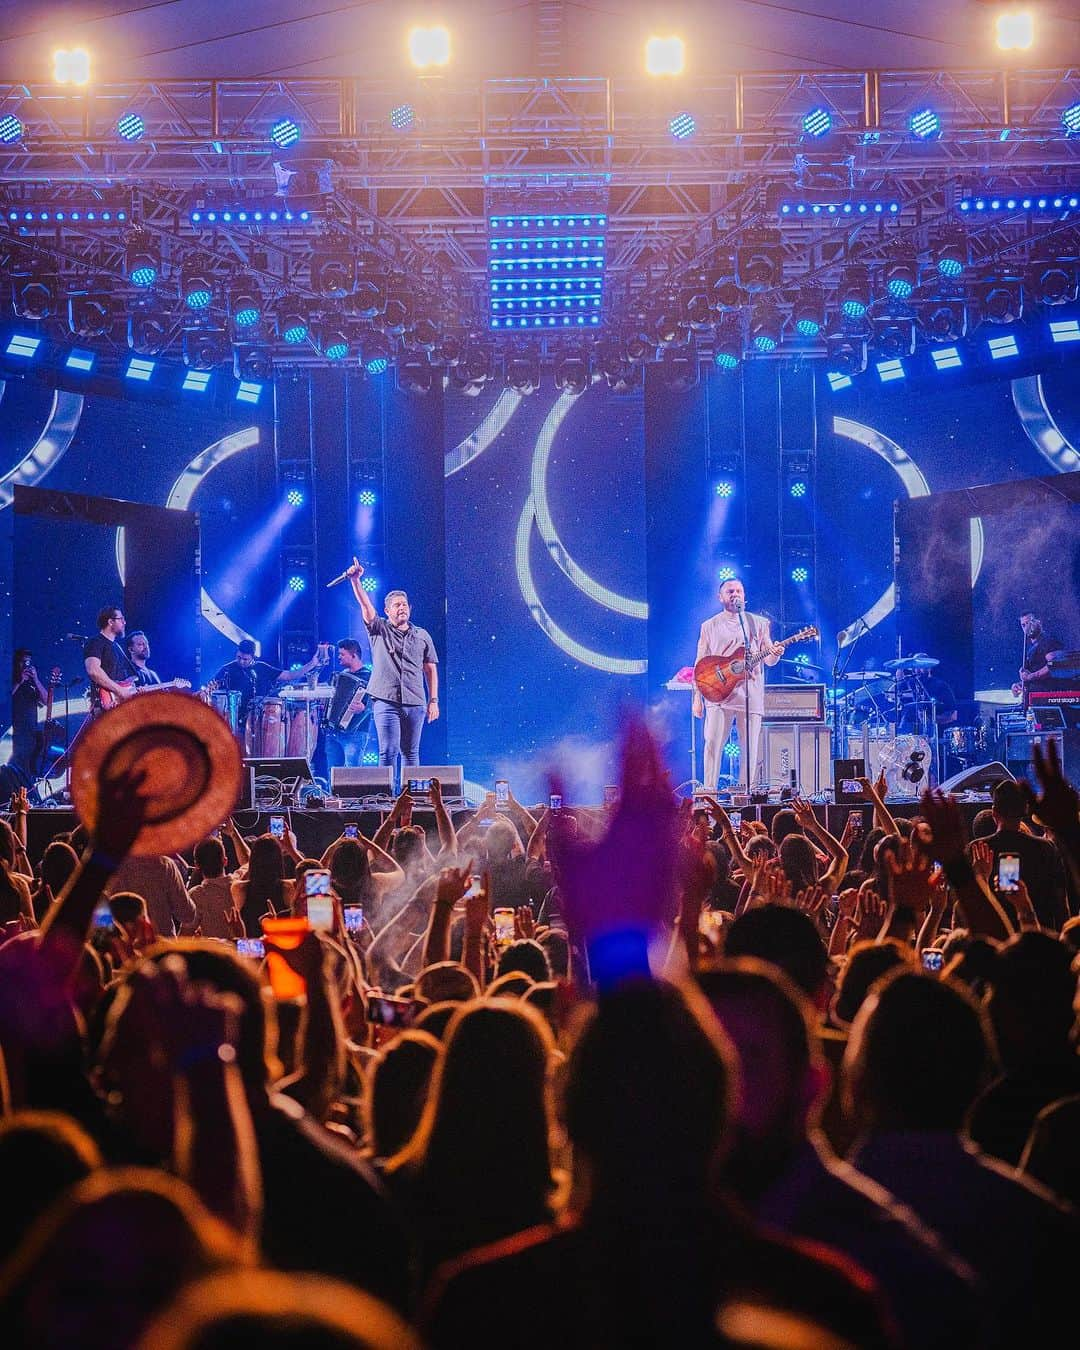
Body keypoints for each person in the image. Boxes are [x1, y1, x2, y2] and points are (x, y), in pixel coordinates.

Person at [346, 558, 439, 778]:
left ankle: (411, 798)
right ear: (387, 611)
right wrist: (356, 581)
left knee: (411, 752)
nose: (402, 608)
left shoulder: (423, 635)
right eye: (397, 605)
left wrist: (433, 700)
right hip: (385, 700)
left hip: (415, 701)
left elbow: (430, 670)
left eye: (405, 604)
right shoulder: (379, 629)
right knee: (388, 752)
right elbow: (366, 607)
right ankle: (385, 801)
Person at [692, 576, 782, 792]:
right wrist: (697, 697)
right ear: (720, 597)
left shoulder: (758, 623)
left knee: (749, 749)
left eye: (739, 591)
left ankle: (745, 794)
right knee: (713, 746)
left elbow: (768, 659)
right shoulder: (709, 626)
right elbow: (700, 663)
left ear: (744, 596)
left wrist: (776, 653)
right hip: (718, 694)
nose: (735, 595)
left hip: (749, 695)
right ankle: (710, 793)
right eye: (730, 591)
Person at [965, 778, 1067, 930]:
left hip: (994, 939)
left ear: (994, 812)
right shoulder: (1046, 848)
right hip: (1039, 937)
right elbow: (1059, 902)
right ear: (1024, 811)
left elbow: (966, 902)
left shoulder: (977, 849)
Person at [211, 638, 327, 731]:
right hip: (233, 721)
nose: (241, 661)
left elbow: (289, 675)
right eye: (239, 657)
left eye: (245, 659)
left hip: (261, 719)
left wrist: (312, 664)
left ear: (253, 657)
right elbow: (212, 687)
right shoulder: (227, 669)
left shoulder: (262, 668)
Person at [324, 638, 372, 770]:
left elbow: (381, 701)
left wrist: (365, 707)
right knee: (332, 773)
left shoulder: (370, 676)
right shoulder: (339, 676)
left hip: (356, 732)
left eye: (342, 654)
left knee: (352, 776)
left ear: (354, 655)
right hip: (333, 731)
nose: (339, 657)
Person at [83, 606, 139, 711]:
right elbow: (93, 670)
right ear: (110, 622)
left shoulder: (117, 647)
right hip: (105, 706)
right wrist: (120, 691)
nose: (124, 622)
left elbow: (124, 680)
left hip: (120, 706)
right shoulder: (95, 642)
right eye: (121, 619)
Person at [9, 650, 47, 775]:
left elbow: (46, 700)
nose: (26, 664)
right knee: (13, 768)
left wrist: (36, 679)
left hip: (30, 732)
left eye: (28, 661)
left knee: (28, 768)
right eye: (23, 661)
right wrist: (20, 681)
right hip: (14, 731)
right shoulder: (10, 679)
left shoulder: (32, 683)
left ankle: (25, 792)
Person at [1012, 611, 1062, 701]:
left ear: (1039, 622)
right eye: (1023, 625)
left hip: (1047, 697)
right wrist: (1020, 685)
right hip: (1034, 698)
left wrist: (1031, 676)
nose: (1026, 627)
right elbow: (1031, 673)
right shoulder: (1030, 648)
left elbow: (1053, 666)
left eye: (1029, 623)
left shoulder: (1049, 641)